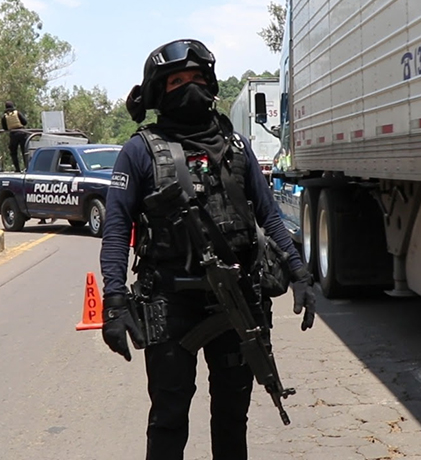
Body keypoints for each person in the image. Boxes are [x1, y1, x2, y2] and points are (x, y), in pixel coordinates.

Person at [99, 39, 316, 460]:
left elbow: (269, 216)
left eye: (198, 78)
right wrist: (114, 301)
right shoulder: (139, 151)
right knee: (168, 418)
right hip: (169, 302)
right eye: (178, 81)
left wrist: (300, 272)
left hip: (237, 300)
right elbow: (116, 227)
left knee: (233, 418)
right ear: (159, 92)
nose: (190, 87)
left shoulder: (237, 147)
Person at [1, 100, 28, 172]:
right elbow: (25, 122)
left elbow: (5, 128)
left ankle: (17, 169)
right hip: (22, 133)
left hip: (13, 134)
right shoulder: (17, 113)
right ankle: (27, 167)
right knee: (25, 151)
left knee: (13, 152)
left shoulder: (4, 116)